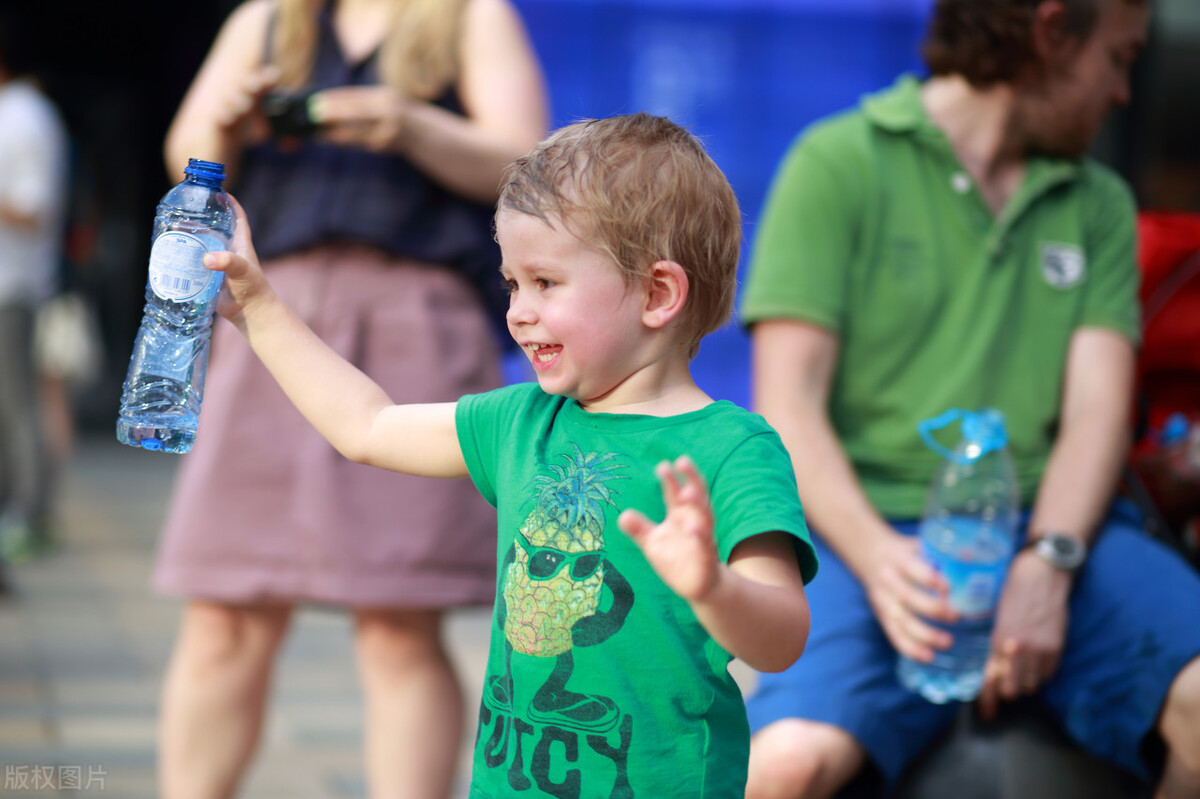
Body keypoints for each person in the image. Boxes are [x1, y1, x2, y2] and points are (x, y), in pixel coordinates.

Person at [201, 112, 817, 797]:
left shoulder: (733, 448)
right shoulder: (521, 421)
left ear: (657, 293)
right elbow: (367, 426)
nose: (518, 310)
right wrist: (258, 307)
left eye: (546, 283)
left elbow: (783, 637)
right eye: (512, 284)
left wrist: (712, 586)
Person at [739, 0, 1200, 797]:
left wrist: (1049, 561)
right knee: (782, 767)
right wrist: (882, 562)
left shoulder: (1099, 203)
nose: (1124, 91)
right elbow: (786, 404)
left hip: (1059, 527)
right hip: (868, 531)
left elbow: (1097, 409)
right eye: (1118, 59)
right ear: (1052, 32)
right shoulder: (836, 162)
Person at [152, 1, 548, 797]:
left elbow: (526, 169)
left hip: (417, 316)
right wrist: (230, 127)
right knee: (225, 608)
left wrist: (408, 125)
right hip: (270, 314)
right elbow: (183, 154)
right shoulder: (268, 19)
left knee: (398, 617)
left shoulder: (470, 16)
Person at [0, 10, 69, 579]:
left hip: (13, 285)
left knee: (18, 402)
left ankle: (28, 515)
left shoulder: (23, 117)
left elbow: (31, 208)